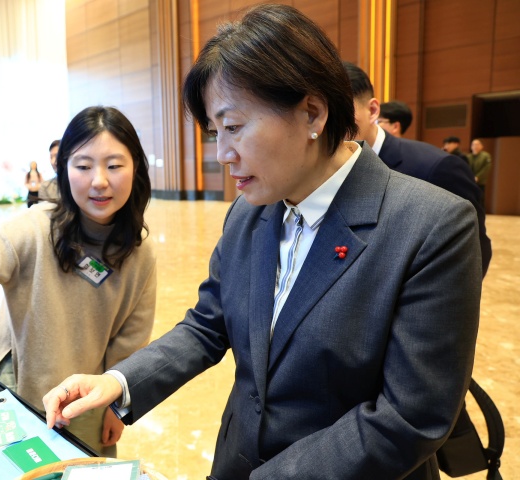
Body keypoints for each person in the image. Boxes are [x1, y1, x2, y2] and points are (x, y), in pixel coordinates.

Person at [43, 6, 482, 480]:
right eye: (215, 133)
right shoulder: (251, 213)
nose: (222, 155)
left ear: (312, 112)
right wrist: (118, 382)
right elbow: (209, 325)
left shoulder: (430, 225)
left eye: (233, 127)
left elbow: (409, 416)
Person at [0, 107, 156, 457]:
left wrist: (117, 407)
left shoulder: (140, 254)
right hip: (16, 386)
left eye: (114, 165)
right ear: (64, 171)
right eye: (83, 166)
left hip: (85, 400)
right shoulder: (34, 228)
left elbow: (131, 341)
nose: (99, 180)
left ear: (136, 168)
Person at [344, 62, 492, 276]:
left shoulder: (436, 168)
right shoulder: (321, 168)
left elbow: (471, 253)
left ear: (373, 110)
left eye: (342, 112)